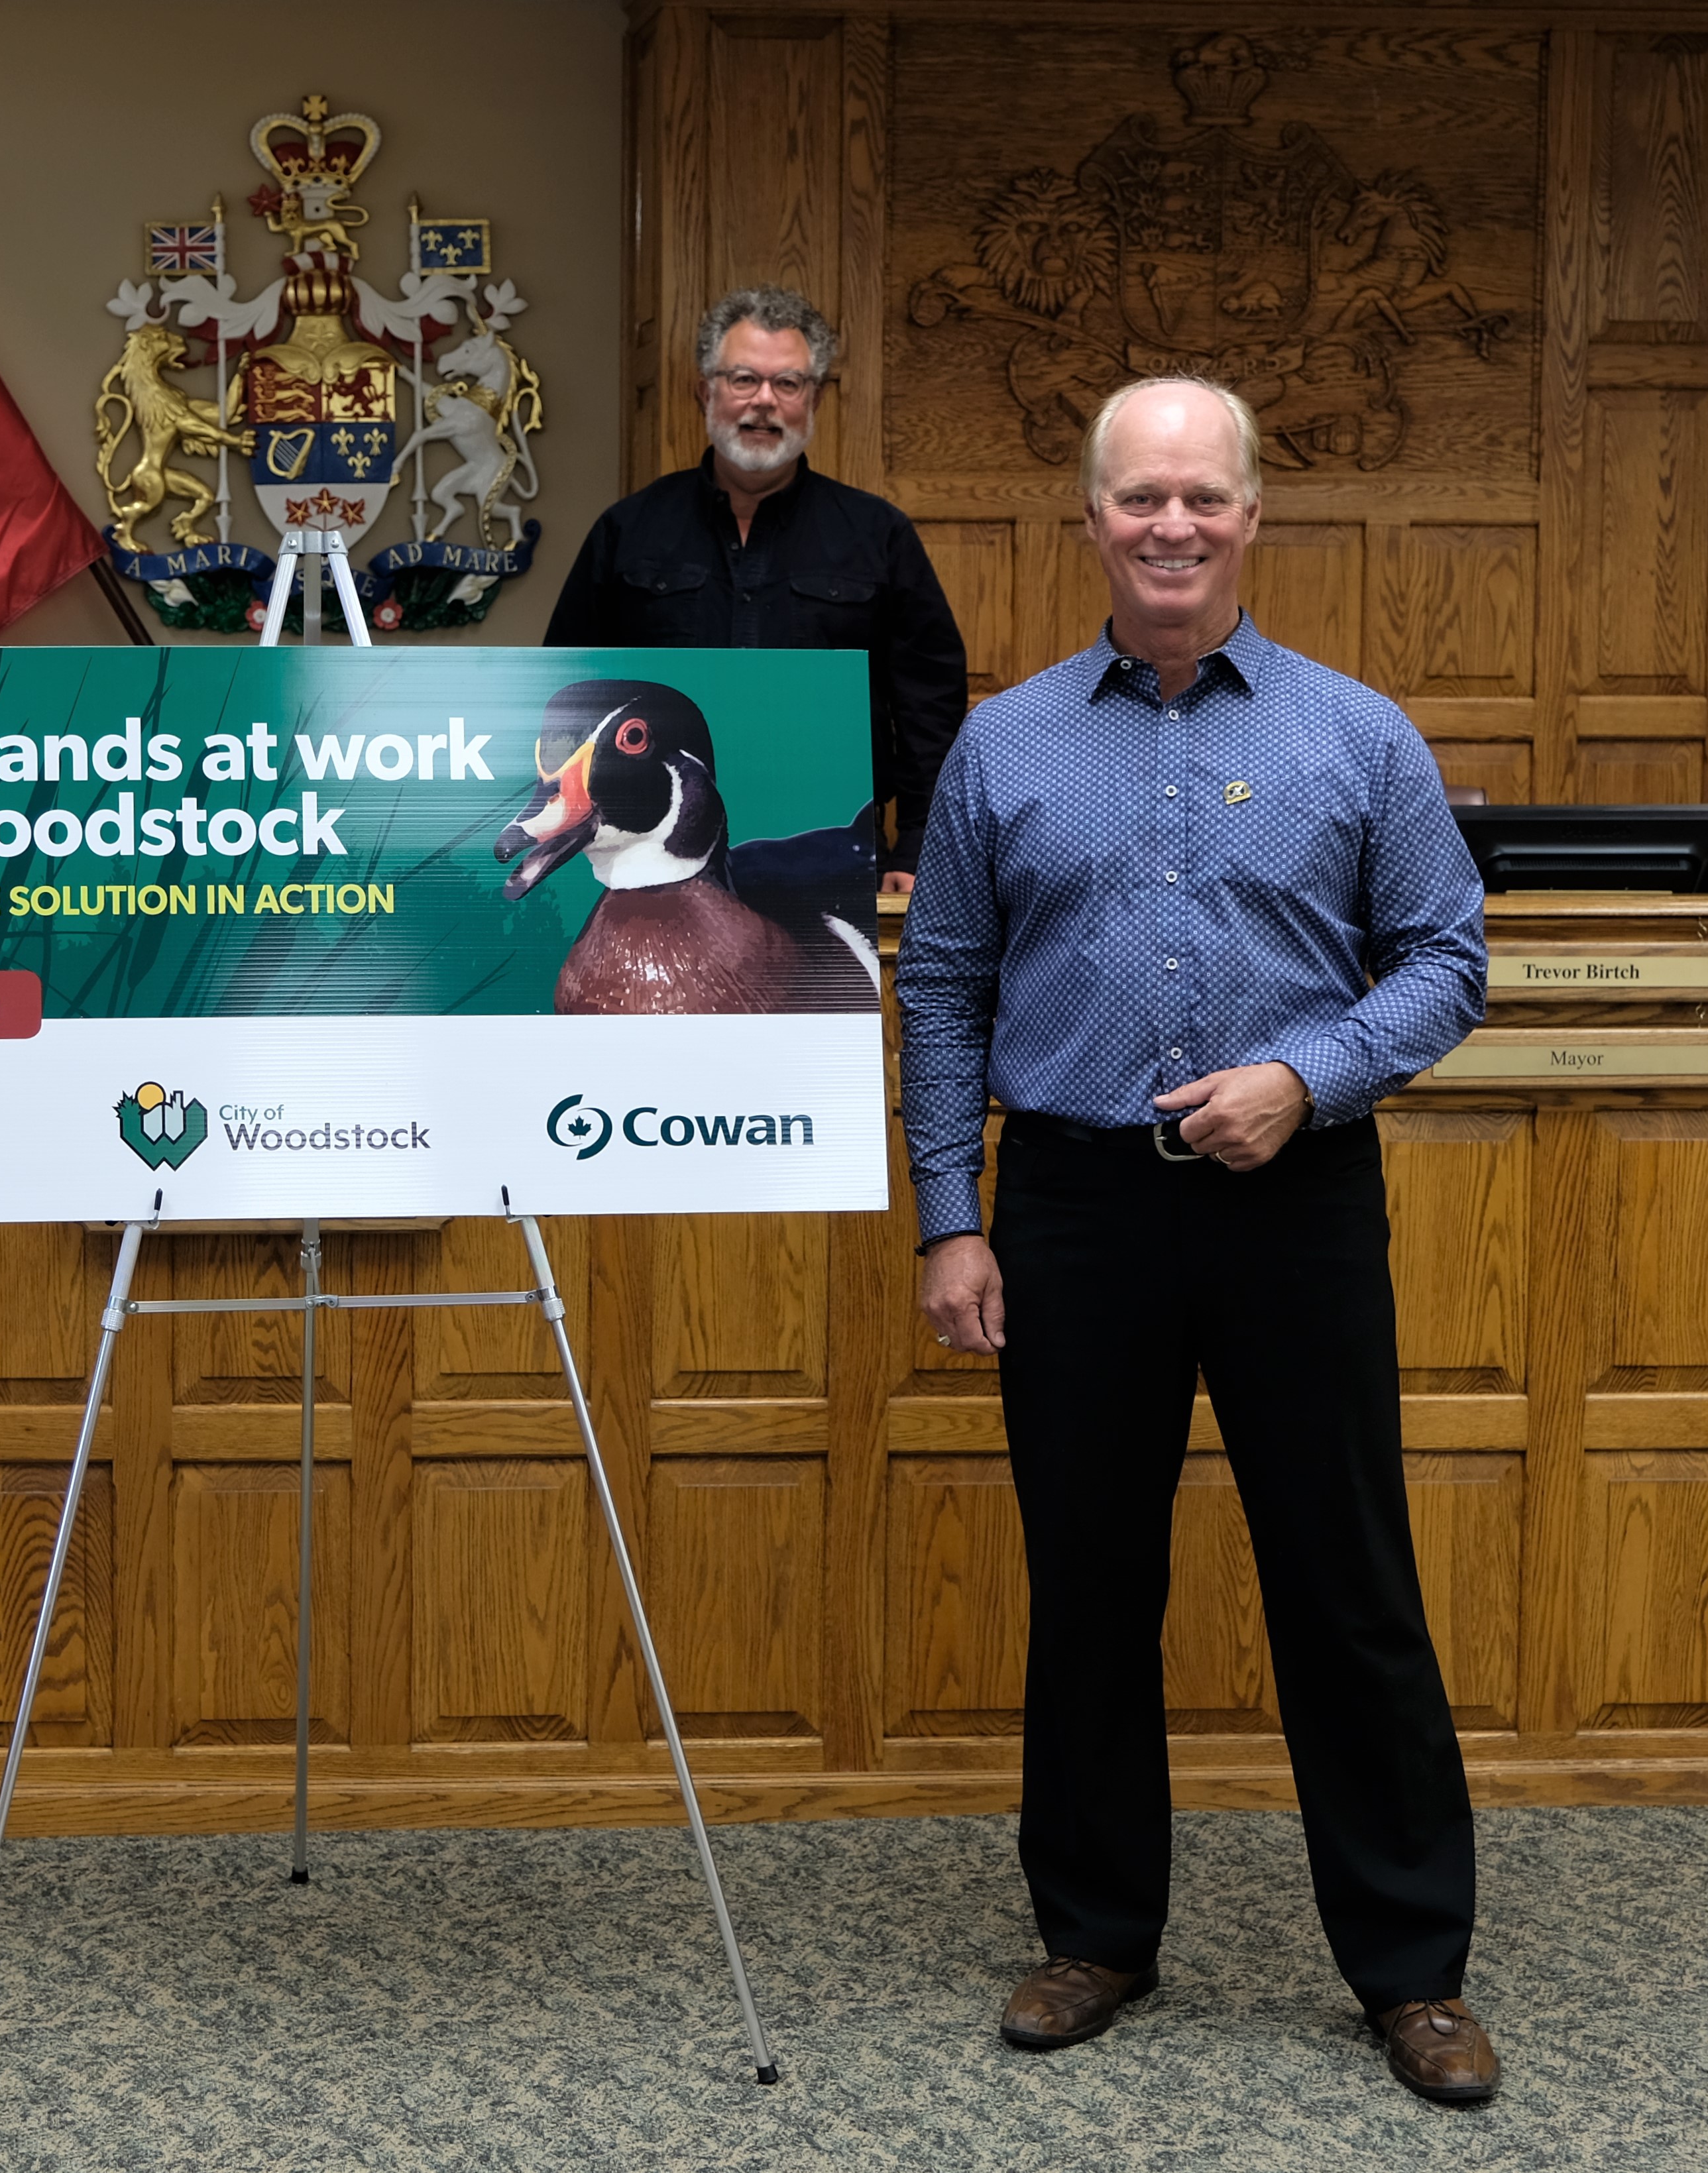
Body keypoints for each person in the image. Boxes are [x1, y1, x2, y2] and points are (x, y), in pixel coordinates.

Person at [895, 378, 1499, 2105]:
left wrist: (1299, 1079)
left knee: (1347, 1584)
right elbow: (937, 988)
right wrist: (951, 1215)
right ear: (1086, 517)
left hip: (1291, 1202)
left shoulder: (1356, 736)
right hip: (1074, 1206)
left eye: (1201, 498)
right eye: (1137, 497)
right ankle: (1092, 1929)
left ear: (1251, 513)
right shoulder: (1002, 744)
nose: (1170, 525)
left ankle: (1408, 1966)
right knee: (1089, 1582)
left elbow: (1440, 962)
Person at [544, 286, 967, 895]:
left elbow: (931, 707)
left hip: (832, 851)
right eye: (743, 379)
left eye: (788, 384)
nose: (764, 402)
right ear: (705, 391)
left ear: (814, 398)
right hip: (649, 857)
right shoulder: (628, 532)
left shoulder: (878, 536)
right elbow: (569, 690)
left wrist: (920, 844)